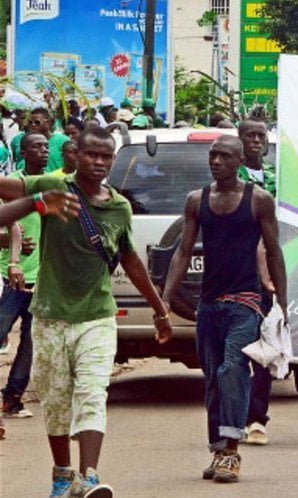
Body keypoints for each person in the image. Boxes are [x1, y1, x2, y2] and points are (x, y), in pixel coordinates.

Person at [0, 126, 171, 497]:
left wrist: (159, 309)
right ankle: (63, 476)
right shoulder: (53, 185)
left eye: (106, 156)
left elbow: (129, 258)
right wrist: (40, 200)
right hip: (49, 315)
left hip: (97, 316)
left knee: (92, 392)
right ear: (75, 154)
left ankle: (89, 476)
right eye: (92, 154)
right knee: (57, 399)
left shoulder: (118, 206)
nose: (98, 162)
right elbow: (4, 199)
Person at [161, 135, 286, 484]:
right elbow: (183, 251)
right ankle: (218, 448)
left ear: (240, 160)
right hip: (209, 304)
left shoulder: (258, 200)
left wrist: (283, 302)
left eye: (224, 156)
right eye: (213, 155)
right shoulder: (197, 200)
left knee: (233, 369)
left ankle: (231, 451)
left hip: (245, 302)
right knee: (213, 379)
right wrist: (166, 299)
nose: (216, 161)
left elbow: (274, 251)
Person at [0, 133, 50, 420]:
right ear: (23, 152)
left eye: (45, 146)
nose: (43, 151)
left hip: (42, 280)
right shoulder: (13, 186)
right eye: (36, 147)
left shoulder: (53, 186)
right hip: (12, 278)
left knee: (30, 344)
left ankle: (13, 398)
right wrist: (12, 255)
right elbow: (12, 225)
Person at [236, 118, 277, 445]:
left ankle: (257, 418)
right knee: (234, 351)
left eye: (260, 135)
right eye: (249, 135)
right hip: (237, 274)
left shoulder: (280, 178)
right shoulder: (231, 179)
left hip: (269, 278)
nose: (255, 140)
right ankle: (231, 416)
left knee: (265, 347)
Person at [9, 107, 71, 173]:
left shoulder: (63, 141)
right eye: (30, 122)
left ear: (48, 123)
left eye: (37, 122)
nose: (33, 125)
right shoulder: (22, 141)